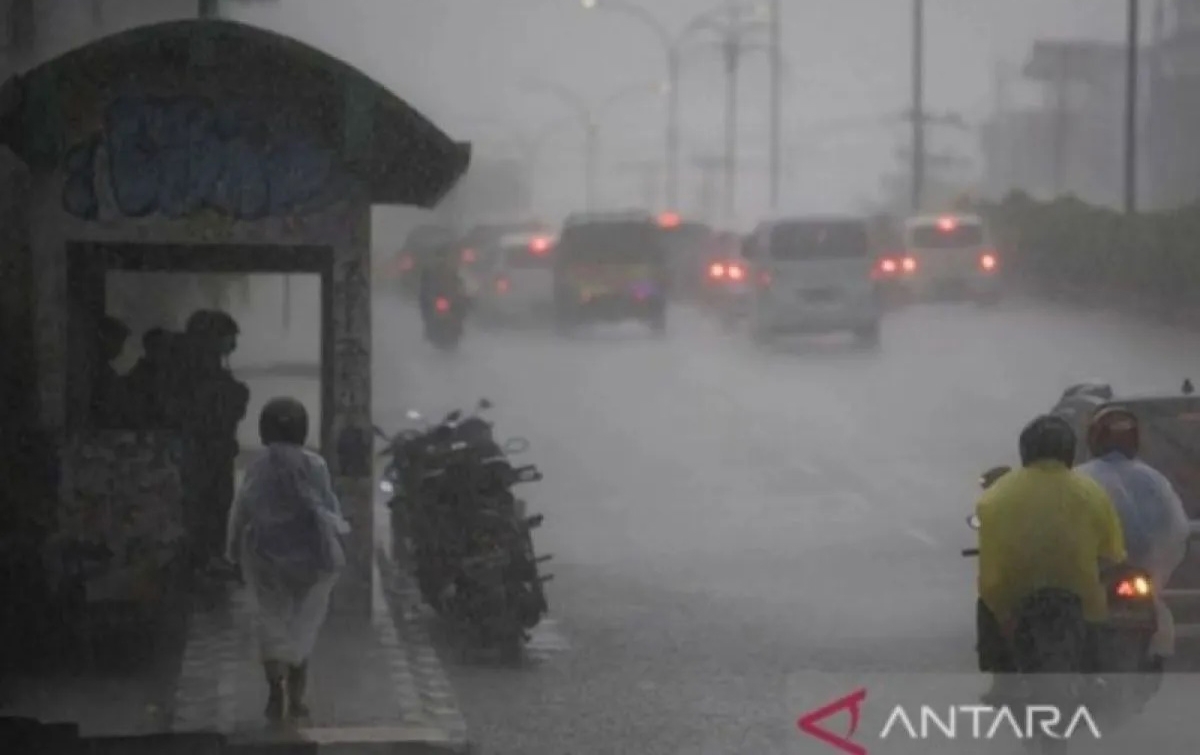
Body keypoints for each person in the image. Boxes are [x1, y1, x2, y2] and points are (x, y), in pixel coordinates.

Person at [975, 414, 1127, 701]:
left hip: (1014, 597)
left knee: (986, 604)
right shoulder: (1092, 492)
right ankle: (1096, 675)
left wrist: (1002, 610)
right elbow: (1113, 553)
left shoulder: (995, 496)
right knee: (1100, 622)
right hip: (1081, 597)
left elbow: (991, 566)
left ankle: (1001, 679)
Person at [225, 397, 349, 722]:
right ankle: (297, 699)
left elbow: (242, 511)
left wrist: (232, 552)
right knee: (302, 629)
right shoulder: (315, 465)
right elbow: (330, 509)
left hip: (265, 559)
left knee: (271, 623)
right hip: (312, 561)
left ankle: (274, 693)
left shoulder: (258, 466)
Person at [1075, 406, 1190, 663]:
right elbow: (1176, 532)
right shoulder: (1154, 480)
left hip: (1094, 576)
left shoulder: (1078, 479)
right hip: (1137, 577)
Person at [180, 310, 250, 568]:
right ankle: (204, 557)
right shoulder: (198, 372)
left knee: (215, 503)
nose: (233, 344)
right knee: (206, 504)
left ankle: (208, 556)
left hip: (215, 451)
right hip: (203, 452)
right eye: (229, 337)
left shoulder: (208, 370)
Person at [90, 315, 131, 428]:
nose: (120, 350)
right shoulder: (91, 371)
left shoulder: (109, 373)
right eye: (117, 341)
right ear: (104, 338)